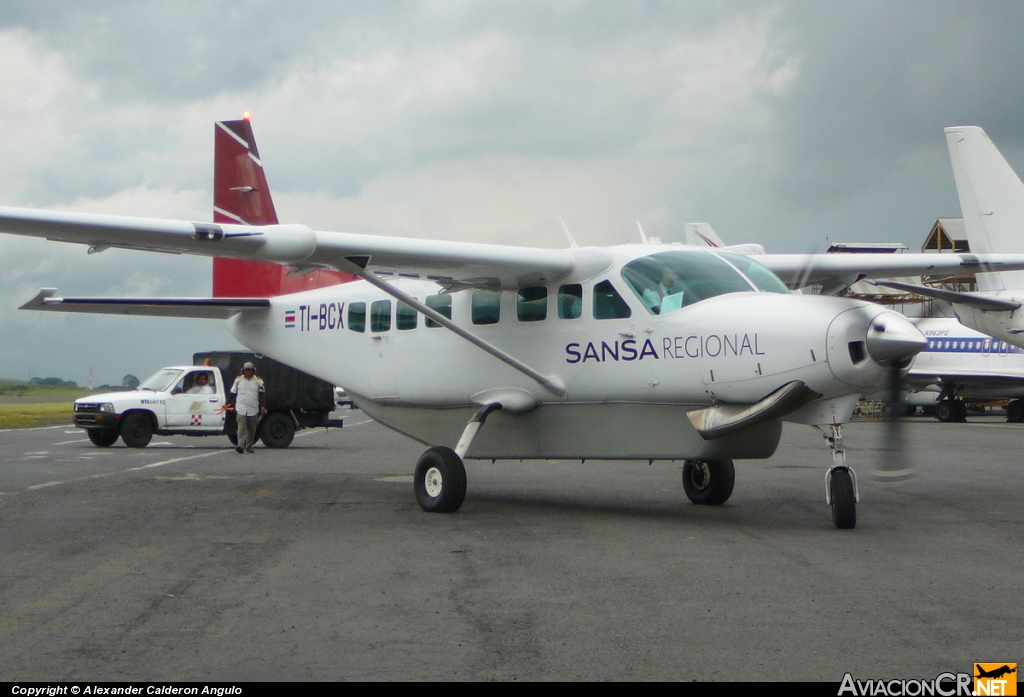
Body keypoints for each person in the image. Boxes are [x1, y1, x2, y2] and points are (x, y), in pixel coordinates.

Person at [228, 362, 266, 454]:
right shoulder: (238, 380)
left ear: (253, 371)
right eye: (246, 370)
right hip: (241, 408)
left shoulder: (258, 381)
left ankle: (249, 447)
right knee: (241, 428)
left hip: (253, 409)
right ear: (243, 371)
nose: (248, 372)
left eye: (250, 370)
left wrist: (263, 406)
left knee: (252, 430)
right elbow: (232, 393)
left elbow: (262, 394)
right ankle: (240, 445)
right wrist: (227, 403)